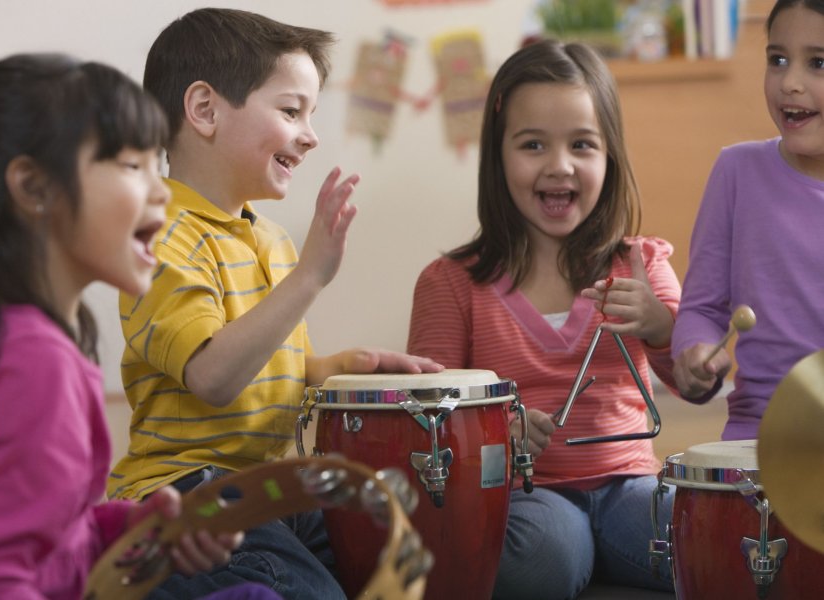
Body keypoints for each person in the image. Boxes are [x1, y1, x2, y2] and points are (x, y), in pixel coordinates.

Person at [108, 8, 442, 599]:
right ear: (205, 111)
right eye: (292, 111)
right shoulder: (161, 234)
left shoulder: (269, 239)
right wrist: (310, 277)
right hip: (185, 491)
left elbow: (268, 376)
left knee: (393, 556)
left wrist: (339, 369)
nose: (310, 134)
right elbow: (214, 375)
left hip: (270, 487)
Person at [0, 53, 283, 600]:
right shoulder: (33, 365)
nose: (161, 190)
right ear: (35, 187)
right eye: (133, 166)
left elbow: (41, 540)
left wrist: (127, 529)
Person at [407, 39, 680, 599]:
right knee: (542, 558)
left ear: (610, 156)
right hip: (527, 494)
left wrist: (660, 325)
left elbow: (696, 382)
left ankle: (607, 553)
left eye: (582, 144)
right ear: (498, 155)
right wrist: (494, 433)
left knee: (705, 536)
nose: (560, 166)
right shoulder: (450, 285)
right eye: (533, 144)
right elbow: (428, 427)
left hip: (631, 481)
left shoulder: (641, 264)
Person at [672, 0, 824, 441]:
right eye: (778, 59)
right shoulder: (736, 172)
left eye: (818, 62)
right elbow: (702, 307)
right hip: (760, 437)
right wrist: (697, 353)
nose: (789, 82)